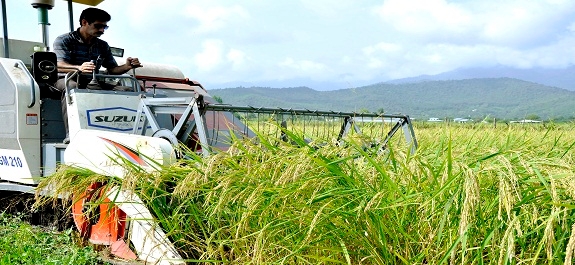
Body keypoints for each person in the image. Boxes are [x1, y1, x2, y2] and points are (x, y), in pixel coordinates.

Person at [52, 7, 142, 143]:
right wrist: (79, 68)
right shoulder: (64, 40)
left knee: (127, 90)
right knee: (73, 88)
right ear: (84, 22)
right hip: (65, 79)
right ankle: (73, 135)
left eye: (105, 27)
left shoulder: (102, 45)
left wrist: (127, 66)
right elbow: (59, 64)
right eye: (98, 26)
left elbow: (112, 70)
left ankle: (126, 132)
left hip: (92, 81)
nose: (101, 30)